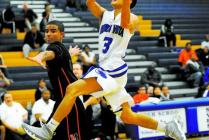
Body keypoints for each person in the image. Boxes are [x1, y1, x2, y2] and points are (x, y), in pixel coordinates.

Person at [22, 1, 186, 140]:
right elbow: (90, 3)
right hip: (106, 70)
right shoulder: (105, 15)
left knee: (72, 89)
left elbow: (125, 24)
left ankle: (48, 130)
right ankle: (168, 127)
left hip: (114, 70)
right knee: (127, 116)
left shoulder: (134, 19)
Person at [24, 20, 89, 140]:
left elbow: (50, 53)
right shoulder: (63, 51)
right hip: (63, 103)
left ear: (62, 34)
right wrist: (71, 53)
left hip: (70, 105)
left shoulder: (55, 47)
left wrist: (40, 56)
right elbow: (60, 56)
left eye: (53, 31)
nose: (48, 34)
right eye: (46, 31)